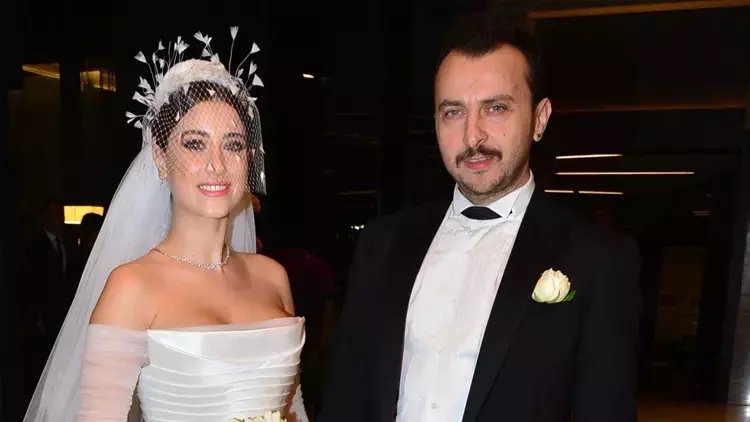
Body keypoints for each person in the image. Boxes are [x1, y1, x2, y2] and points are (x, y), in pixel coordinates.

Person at [318, 12, 641, 422]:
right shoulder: (382, 242)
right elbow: (346, 398)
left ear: (539, 119)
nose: (473, 136)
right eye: (453, 112)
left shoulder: (597, 259)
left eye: (496, 108)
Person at [24, 28, 308, 422]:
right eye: (195, 143)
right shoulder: (131, 287)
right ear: (160, 157)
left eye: (233, 144)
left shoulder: (272, 277)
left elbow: (294, 409)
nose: (216, 164)